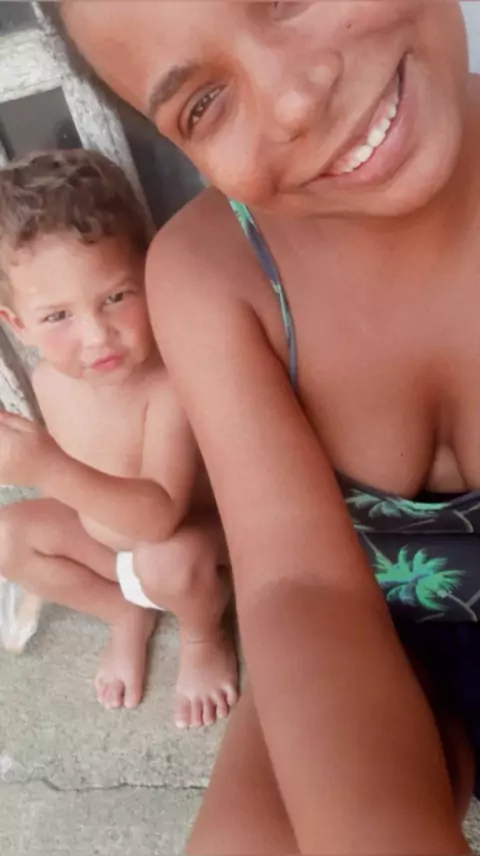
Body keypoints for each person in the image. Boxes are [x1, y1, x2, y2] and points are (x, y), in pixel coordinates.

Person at [57, 0, 480, 851]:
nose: (294, 99)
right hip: (365, 630)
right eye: (204, 103)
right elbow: (300, 589)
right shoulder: (214, 274)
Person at [0, 149, 237, 727]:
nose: (97, 336)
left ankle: (202, 635)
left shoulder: (169, 382)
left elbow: (159, 516)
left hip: (191, 547)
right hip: (109, 544)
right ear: (18, 324)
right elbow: (84, 482)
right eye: (58, 316)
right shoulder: (47, 380)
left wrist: (45, 467)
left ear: (150, 278)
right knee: (6, 537)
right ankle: (122, 612)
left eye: (116, 297)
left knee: (167, 560)